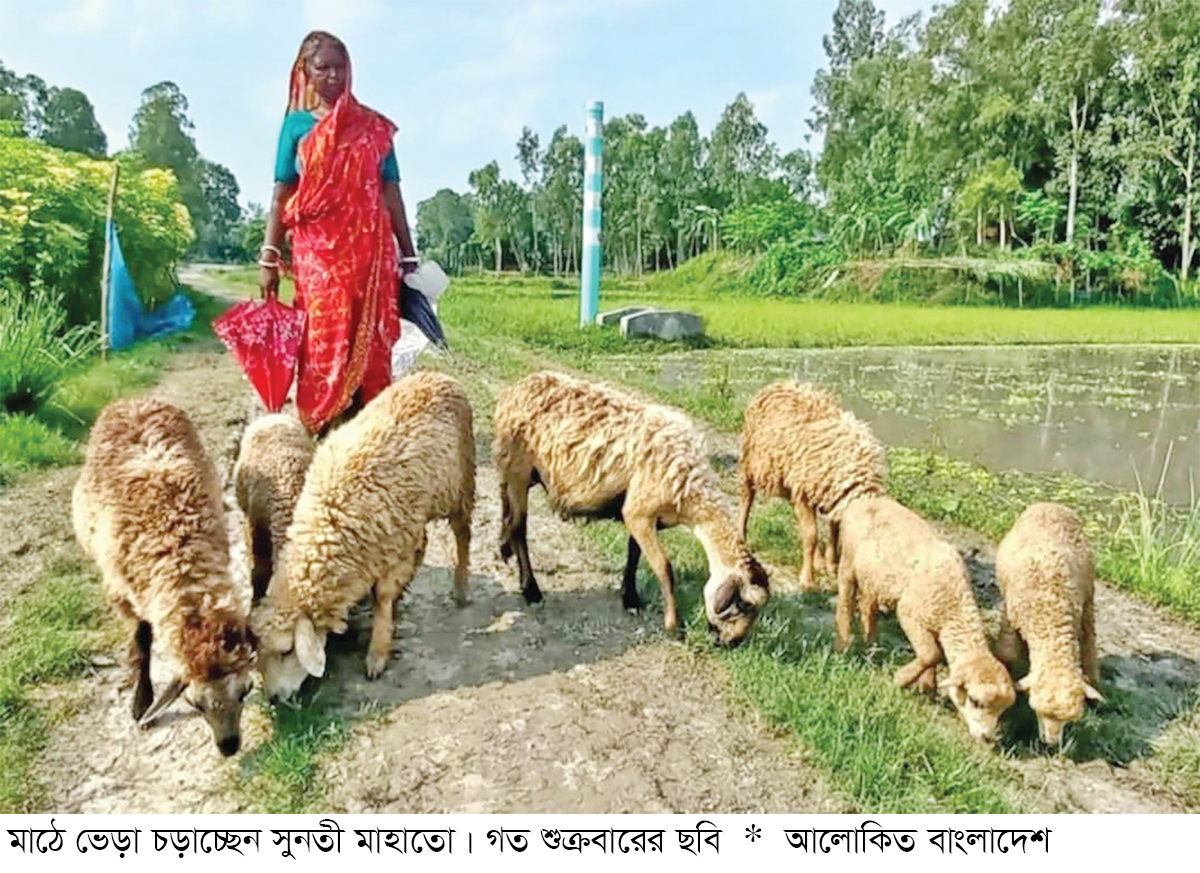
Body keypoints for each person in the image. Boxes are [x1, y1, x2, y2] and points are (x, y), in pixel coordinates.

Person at [257, 30, 418, 436]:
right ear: (306, 72)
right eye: (322, 67)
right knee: (322, 337)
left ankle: (367, 426)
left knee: (372, 339)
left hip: (370, 253)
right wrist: (269, 257)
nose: (333, 76)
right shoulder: (296, 127)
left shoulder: (373, 128)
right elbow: (281, 193)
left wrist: (409, 253)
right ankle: (322, 423)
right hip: (316, 256)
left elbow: (391, 192)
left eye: (340, 67)